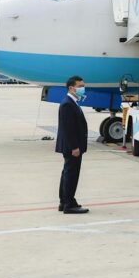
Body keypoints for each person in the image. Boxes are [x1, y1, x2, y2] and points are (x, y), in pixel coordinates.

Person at [56, 75, 89, 214]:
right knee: (71, 174)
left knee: (67, 173)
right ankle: (69, 204)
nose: (82, 88)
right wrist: (74, 147)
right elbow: (68, 128)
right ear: (71, 88)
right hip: (72, 147)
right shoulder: (68, 104)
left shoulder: (72, 102)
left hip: (72, 146)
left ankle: (65, 201)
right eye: (80, 86)